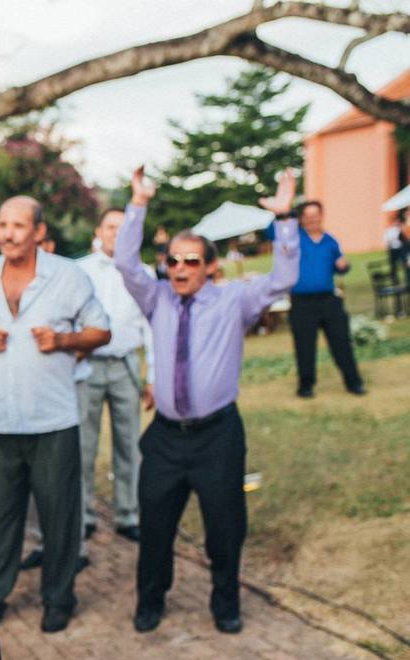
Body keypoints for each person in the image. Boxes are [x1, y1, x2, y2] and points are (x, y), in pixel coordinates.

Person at [118, 167, 299, 635]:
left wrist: (284, 219)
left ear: (209, 267)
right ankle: (150, 601)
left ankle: (226, 603)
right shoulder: (155, 297)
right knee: (155, 529)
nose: (179, 269)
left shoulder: (233, 300)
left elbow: (284, 277)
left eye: (191, 262)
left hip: (217, 435)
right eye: (173, 261)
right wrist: (137, 203)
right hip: (165, 438)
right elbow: (124, 263)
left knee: (225, 529)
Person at [0, 196, 110, 635]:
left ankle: (59, 598)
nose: (7, 233)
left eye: (18, 225)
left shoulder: (68, 276)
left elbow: (102, 331)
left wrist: (63, 341)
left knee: (59, 515)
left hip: (53, 420)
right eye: (2, 224)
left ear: (39, 232)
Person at [75, 208, 155, 544]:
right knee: (83, 445)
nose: (116, 233)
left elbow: (151, 325)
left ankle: (128, 513)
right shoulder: (80, 270)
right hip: (89, 366)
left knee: (129, 442)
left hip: (125, 365)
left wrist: (153, 375)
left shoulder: (143, 272)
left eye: (123, 229)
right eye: (111, 227)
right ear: (99, 231)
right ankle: (83, 515)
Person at [265, 200, 364, 398]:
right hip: (302, 303)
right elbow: (271, 233)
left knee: (342, 343)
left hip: (328, 299)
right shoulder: (295, 238)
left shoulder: (330, 241)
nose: (312, 219)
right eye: (307, 216)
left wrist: (344, 266)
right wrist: (280, 213)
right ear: (301, 219)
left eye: (315, 215)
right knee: (304, 346)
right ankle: (306, 386)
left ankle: (354, 383)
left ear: (321, 215)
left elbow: (339, 266)